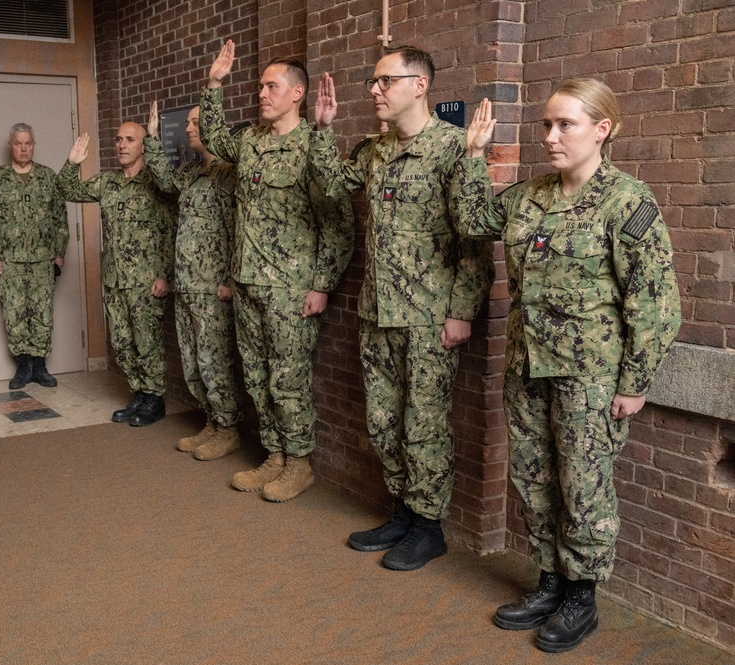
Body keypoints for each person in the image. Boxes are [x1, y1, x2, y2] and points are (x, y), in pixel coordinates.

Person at [452, 79, 681, 652]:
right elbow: (473, 219)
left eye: (565, 125)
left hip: (591, 378)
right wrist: (472, 154)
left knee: (584, 488)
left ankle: (582, 596)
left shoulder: (628, 202)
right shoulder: (530, 196)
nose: (551, 137)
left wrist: (634, 382)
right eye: (546, 126)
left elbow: (655, 303)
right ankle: (550, 581)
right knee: (533, 479)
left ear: (601, 129)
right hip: (527, 366)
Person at [310, 47, 494, 570]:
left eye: (384, 81)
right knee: (383, 420)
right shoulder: (375, 151)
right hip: (378, 312)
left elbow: (473, 242)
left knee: (425, 425)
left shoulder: (456, 149)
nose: (374, 90)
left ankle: (429, 526)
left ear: (419, 85)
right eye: (373, 81)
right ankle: (404, 511)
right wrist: (322, 131)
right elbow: (329, 188)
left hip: (429, 317)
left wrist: (462, 312)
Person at [200, 40, 354, 502]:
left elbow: (338, 221)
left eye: (272, 86)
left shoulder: (314, 145)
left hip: (290, 287)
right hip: (247, 282)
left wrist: (322, 284)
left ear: (297, 94)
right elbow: (211, 136)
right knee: (257, 373)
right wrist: (214, 83)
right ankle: (275, 455)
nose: (261, 93)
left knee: (288, 377)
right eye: (260, 86)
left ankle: (299, 462)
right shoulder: (249, 141)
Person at [59, 122, 176, 427]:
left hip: (146, 280)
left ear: (142, 146)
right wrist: (72, 163)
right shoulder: (108, 182)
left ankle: (154, 399)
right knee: (123, 342)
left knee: (146, 342)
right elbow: (68, 189)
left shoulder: (156, 183)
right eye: (118, 139)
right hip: (114, 278)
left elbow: (170, 232)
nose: (122, 145)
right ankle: (138, 392)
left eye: (130, 139)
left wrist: (166, 275)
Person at [144, 101, 243, 457]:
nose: (188, 128)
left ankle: (228, 427)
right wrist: (152, 139)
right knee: (193, 362)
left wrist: (231, 280)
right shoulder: (191, 173)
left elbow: (239, 230)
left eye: (196, 123)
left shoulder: (231, 174)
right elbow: (164, 181)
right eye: (187, 123)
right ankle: (212, 421)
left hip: (213, 287)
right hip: (187, 284)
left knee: (215, 361)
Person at [0, 123, 68, 390]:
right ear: (10, 145)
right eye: (18, 143)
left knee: (43, 313)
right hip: (9, 261)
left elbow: (60, 219)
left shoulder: (49, 178)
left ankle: (40, 366)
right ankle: (23, 366)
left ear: (34, 144)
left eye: (28, 143)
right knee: (14, 313)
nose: (24, 148)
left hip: (42, 260)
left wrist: (59, 253)